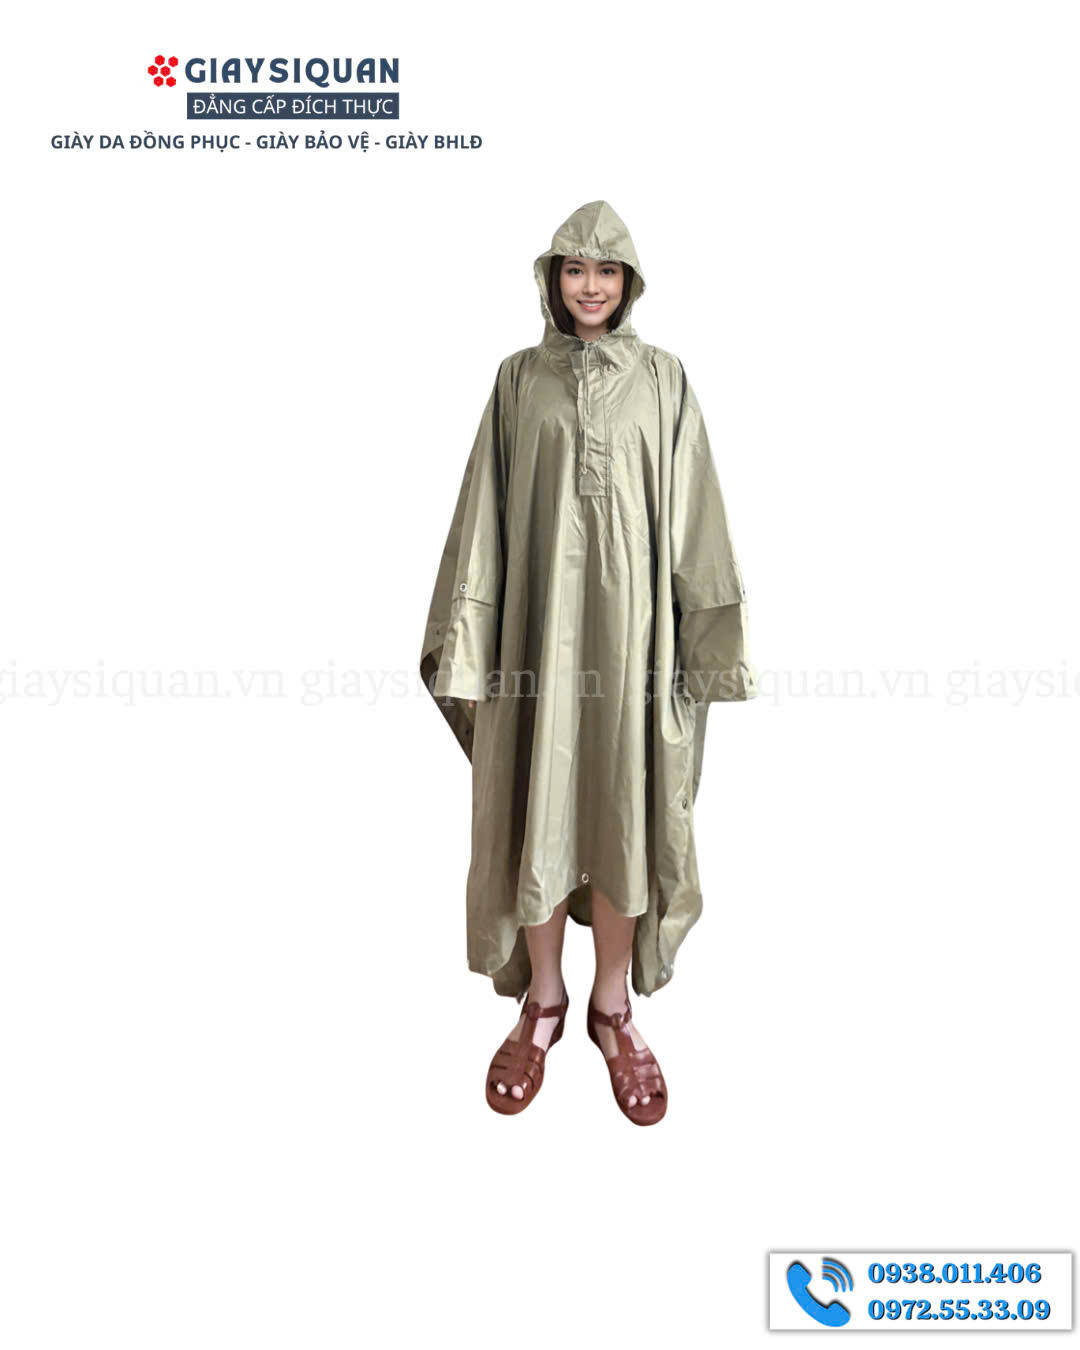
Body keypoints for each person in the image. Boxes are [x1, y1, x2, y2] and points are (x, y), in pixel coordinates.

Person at [420, 201, 757, 1125]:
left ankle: (612, 1007)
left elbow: (696, 513)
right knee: (531, 801)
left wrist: (706, 643)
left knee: (622, 806)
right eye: (575, 269)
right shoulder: (517, 380)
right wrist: (470, 639)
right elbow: (483, 517)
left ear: (630, 281)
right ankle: (543, 1003)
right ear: (552, 280)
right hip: (534, 642)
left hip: (632, 648)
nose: (591, 285)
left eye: (607, 271)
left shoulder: (665, 379)